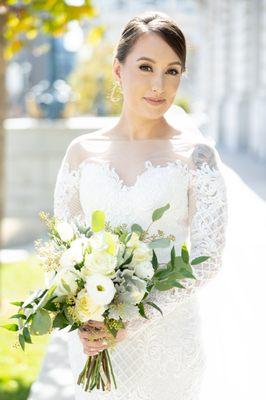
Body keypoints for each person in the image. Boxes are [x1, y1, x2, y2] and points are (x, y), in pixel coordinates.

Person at [53, 11, 228, 400]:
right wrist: (81, 311)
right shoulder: (81, 152)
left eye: (172, 70)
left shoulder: (196, 156)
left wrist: (129, 323)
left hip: (169, 340)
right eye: (145, 67)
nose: (159, 84)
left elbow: (207, 259)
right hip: (95, 340)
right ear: (118, 70)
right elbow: (62, 247)